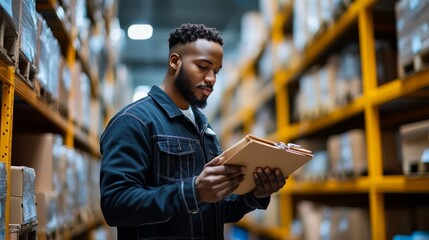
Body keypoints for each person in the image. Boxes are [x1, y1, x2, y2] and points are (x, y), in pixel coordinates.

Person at [99, 23, 287, 240]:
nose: (212, 79)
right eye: (203, 67)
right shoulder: (133, 122)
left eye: (216, 71)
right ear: (175, 62)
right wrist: (193, 192)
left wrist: (254, 195)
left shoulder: (203, 127)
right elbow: (116, 206)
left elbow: (213, 209)